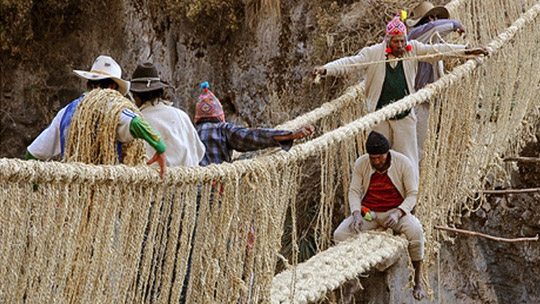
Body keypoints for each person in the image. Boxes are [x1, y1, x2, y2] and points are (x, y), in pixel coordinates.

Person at [313, 13, 487, 175]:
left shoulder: (412, 49)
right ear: (387, 41)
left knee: (408, 159)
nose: (401, 45)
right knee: (380, 157)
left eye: (403, 41)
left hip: (404, 114)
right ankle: (385, 195)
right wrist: (326, 69)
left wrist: (467, 51)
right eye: (396, 42)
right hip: (380, 115)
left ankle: (410, 199)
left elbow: (436, 51)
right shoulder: (374, 53)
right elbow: (351, 63)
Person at [25, 55, 167, 178]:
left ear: (88, 84)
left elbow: (32, 153)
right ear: (113, 87)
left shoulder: (66, 112)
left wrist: (38, 188)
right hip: (104, 199)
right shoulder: (114, 108)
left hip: (71, 198)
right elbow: (136, 123)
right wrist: (159, 148)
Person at [333, 131, 425, 300]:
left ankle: (418, 279)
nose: (376, 162)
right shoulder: (361, 163)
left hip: (396, 213)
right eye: (372, 158)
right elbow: (354, 191)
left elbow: (412, 193)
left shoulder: (403, 163)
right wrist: (356, 214)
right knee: (340, 235)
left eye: (380, 158)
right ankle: (351, 281)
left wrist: (398, 213)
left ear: (387, 153)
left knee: (416, 232)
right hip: (369, 214)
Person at [194, 81, 314, 166]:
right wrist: (290, 136)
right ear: (220, 115)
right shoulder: (223, 130)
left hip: (191, 192)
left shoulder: (191, 132)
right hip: (215, 191)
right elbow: (252, 136)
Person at [407, 2, 467, 163]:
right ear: (429, 19)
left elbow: (445, 50)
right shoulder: (416, 36)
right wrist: (456, 25)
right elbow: (434, 29)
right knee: (417, 149)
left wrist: (468, 51)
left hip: (427, 100)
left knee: (424, 145)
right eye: (433, 18)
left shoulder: (432, 43)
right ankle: (415, 185)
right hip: (415, 102)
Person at [130, 62, 205, 167]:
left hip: (157, 180)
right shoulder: (181, 115)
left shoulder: (138, 121)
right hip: (190, 180)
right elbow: (200, 151)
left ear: (135, 96)